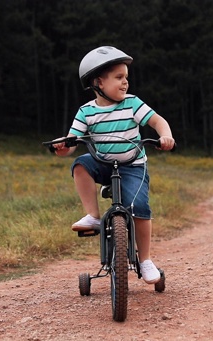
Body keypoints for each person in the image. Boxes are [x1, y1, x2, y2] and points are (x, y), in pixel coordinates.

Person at [52, 46, 175, 284]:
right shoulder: (86, 111)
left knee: (139, 207)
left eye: (126, 78)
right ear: (98, 82)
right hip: (103, 163)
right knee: (80, 165)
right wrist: (62, 146)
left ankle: (146, 259)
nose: (125, 83)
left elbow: (158, 121)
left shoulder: (132, 104)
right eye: (119, 78)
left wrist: (165, 135)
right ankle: (93, 215)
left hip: (132, 165)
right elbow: (71, 144)